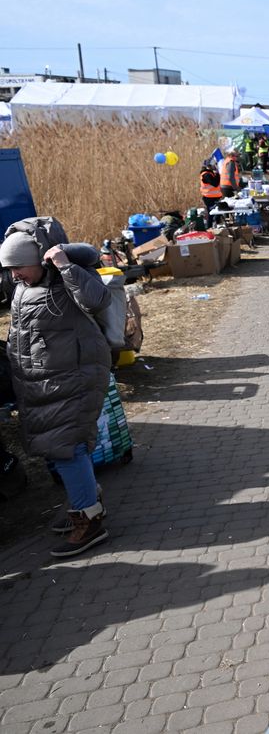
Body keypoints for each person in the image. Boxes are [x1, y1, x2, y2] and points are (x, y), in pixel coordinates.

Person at [2, 224, 112, 558]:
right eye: (9, 270)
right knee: (56, 448)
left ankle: (89, 520)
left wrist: (65, 265)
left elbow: (99, 299)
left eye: (18, 267)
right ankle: (86, 500)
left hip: (71, 378)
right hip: (41, 380)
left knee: (66, 447)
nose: (15, 275)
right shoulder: (24, 284)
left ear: (38, 261)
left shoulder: (68, 276)